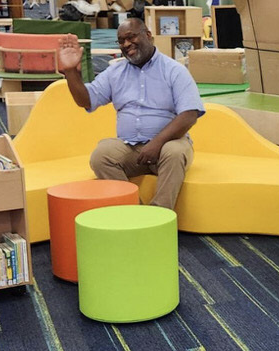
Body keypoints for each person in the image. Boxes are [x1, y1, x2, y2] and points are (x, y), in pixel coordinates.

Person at [57, 18, 204, 209]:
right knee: (101, 156)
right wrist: (71, 72)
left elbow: (189, 114)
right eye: (121, 41)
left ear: (148, 36)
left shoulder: (174, 70)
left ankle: (160, 214)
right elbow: (86, 100)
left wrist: (156, 144)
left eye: (130, 37)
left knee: (174, 152)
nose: (126, 44)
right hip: (131, 147)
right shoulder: (115, 72)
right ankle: (134, 211)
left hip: (169, 144)